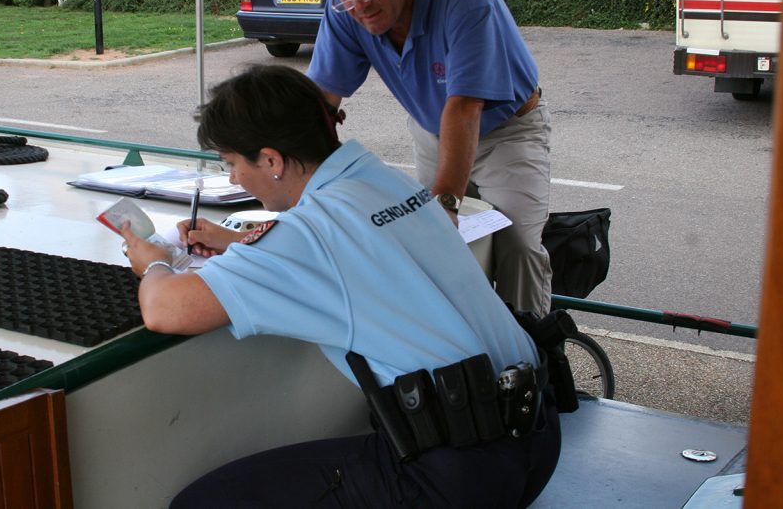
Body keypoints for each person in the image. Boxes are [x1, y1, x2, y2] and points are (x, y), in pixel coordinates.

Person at [120, 65, 560, 507]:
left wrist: (154, 263)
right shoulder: (387, 182)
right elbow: (366, 254)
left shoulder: (304, 236)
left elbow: (166, 310)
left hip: (453, 478)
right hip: (535, 437)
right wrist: (238, 242)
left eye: (232, 163)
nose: (233, 178)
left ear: (271, 160)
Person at [306, 0, 552, 318]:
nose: (358, 4)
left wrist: (447, 204)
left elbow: (466, 106)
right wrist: (298, 177)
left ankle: (536, 362)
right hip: (433, 131)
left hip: (507, 131)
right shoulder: (345, 10)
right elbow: (320, 100)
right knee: (430, 248)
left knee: (516, 246)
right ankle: (463, 358)